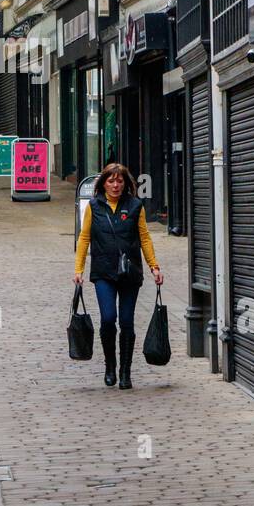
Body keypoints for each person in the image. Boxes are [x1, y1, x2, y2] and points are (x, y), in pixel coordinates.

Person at [74, 162, 164, 390]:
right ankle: (110, 366)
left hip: (130, 271)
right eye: (111, 181)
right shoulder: (94, 207)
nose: (115, 185)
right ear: (103, 183)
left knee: (126, 321)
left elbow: (144, 238)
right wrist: (79, 269)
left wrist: (154, 266)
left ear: (126, 183)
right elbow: (84, 238)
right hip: (103, 270)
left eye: (119, 181)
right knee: (107, 318)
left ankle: (125, 371)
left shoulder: (135, 206)